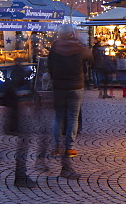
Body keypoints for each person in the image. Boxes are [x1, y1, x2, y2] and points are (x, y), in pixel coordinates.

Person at [47, 25, 91, 176]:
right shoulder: (78, 46)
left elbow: (49, 66)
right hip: (75, 85)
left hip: (59, 86)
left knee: (58, 116)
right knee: (73, 117)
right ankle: (69, 147)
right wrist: (79, 39)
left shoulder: (55, 47)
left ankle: (56, 147)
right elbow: (90, 58)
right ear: (72, 33)